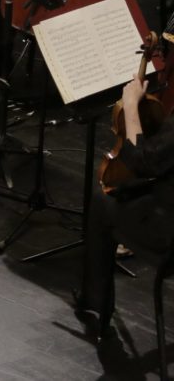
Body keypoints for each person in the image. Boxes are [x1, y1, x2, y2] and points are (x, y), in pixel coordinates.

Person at [76, 74, 174, 344]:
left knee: (103, 200)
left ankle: (95, 301)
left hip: (166, 236)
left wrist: (131, 106)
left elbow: (140, 161)